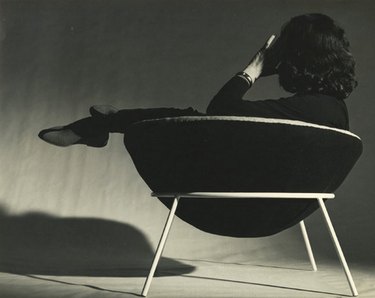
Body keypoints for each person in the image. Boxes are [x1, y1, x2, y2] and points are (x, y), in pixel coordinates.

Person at [39, 13, 357, 148]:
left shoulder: (308, 110)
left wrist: (254, 69)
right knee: (198, 119)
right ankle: (103, 124)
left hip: (234, 187)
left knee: (195, 120)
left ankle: (102, 125)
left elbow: (221, 108)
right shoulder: (329, 110)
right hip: (287, 194)